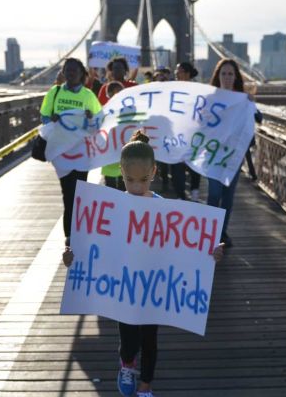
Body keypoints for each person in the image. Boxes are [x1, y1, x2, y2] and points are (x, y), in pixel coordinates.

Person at [62, 130, 224, 397]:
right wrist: (71, 255)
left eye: (142, 179)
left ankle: (146, 384)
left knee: (150, 339)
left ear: (154, 173)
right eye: (129, 180)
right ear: (120, 174)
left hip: (153, 288)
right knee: (128, 338)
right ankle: (127, 363)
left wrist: (211, 252)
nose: (136, 187)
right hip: (123, 286)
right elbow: (90, 245)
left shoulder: (166, 211)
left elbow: (185, 244)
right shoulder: (112, 208)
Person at [40, 58, 102, 246]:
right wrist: (51, 118)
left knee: (79, 192)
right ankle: (70, 235)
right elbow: (43, 117)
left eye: (74, 70)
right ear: (63, 72)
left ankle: (78, 231)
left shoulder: (88, 95)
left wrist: (91, 118)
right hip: (61, 152)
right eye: (67, 70)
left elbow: (98, 123)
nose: (71, 73)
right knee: (68, 193)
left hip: (81, 151)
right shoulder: (55, 92)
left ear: (82, 73)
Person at [206, 58, 257, 248]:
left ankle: (222, 232)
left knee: (228, 195)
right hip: (213, 155)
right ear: (217, 76)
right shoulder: (210, 98)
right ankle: (210, 231)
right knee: (214, 193)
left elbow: (258, 118)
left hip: (233, 156)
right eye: (223, 73)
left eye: (230, 74)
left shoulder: (242, 99)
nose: (227, 77)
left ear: (235, 77)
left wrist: (251, 103)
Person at [171, 62, 202, 201]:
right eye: (176, 71)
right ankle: (180, 195)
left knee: (194, 163)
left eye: (180, 71)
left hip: (193, 133)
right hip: (176, 134)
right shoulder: (171, 90)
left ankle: (195, 189)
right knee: (176, 164)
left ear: (188, 73)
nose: (177, 73)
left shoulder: (198, 90)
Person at [102, 81, 126, 191]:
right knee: (110, 190)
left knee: (124, 188)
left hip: (125, 157)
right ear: (109, 94)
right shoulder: (104, 111)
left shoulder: (131, 110)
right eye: (117, 92)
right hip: (109, 157)